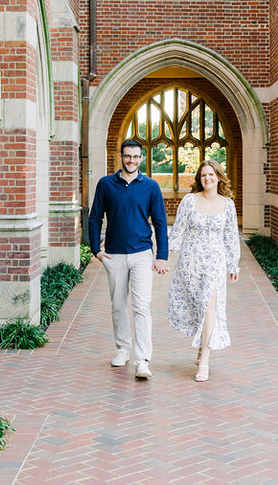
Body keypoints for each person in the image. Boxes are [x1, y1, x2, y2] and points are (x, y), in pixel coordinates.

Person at [89, 139, 169, 380]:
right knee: (118, 305)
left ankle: (143, 359)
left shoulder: (151, 186)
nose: (131, 160)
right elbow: (95, 219)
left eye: (135, 156)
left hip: (142, 254)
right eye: (127, 156)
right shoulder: (105, 184)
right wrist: (95, 249)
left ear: (141, 158)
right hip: (114, 254)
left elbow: (160, 222)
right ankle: (122, 349)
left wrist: (162, 256)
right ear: (121, 157)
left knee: (142, 306)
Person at [167, 158, 240, 382]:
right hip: (190, 262)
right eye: (203, 175)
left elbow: (230, 236)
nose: (207, 178)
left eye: (211, 174)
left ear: (218, 176)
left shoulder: (227, 204)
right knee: (198, 307)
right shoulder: (190, 201)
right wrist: (165, 255)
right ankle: (201, 348)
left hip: (215, 264)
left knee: (210, 308)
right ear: (199, 178)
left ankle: (205, 359)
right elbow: (178, 230)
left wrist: (233, 262)